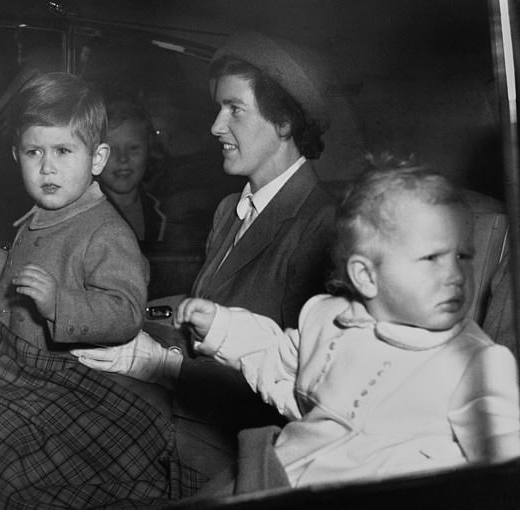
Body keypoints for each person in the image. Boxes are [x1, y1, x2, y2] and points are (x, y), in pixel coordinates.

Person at [0, 72, 197, 508]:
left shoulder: (105, 231)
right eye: (34, 152)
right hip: (11, 368)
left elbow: (124, 312)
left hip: (62, 379)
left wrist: (59, 304)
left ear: (97, 158)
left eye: (64, 151)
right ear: (17, 156)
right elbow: (19, 283)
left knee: (4, 459)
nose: (47, 167)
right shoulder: (39, 217)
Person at [72, 30, 337, 483]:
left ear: (285, 122)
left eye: (234, 109)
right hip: (190, 417)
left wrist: (161, 367)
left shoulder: (322, 227)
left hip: (239, 450)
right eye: (219, 108)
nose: (216, 126)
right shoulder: (229, 211)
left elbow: (299, 392)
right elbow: (201, 327)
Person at [174, 157, 520, 495]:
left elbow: (504, 461)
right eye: (432, 259)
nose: (456, 276)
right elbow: (279, 360)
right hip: (275, 468)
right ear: (366, 277)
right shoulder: (327, 318)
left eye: (463, 255)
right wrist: (223, 327)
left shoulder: (477, 363)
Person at [98, 98, 167, 241]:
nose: (123, 158)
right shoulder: (81, 217)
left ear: (150, 149)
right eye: (111, 149)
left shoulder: (166, 211)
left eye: (133, 148)